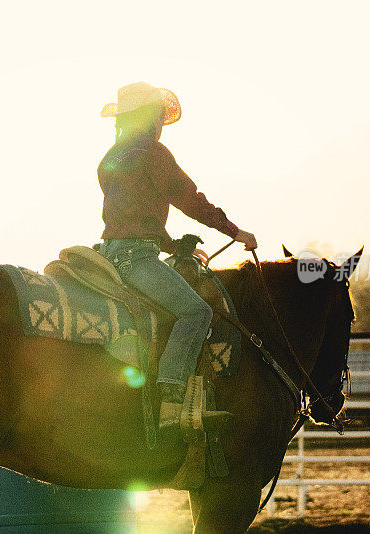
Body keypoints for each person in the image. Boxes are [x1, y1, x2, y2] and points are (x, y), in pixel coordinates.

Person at [97, 82, 258, 431]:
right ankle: (172, 402)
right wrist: (235, 232)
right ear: (150, 117)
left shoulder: (113, 157)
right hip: (135, 258)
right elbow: (190, 200)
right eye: (157, 115)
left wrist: (172, 247)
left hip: (109, 252)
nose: (160, 123)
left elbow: (131, 217)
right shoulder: (154, 153)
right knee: (196, 311)